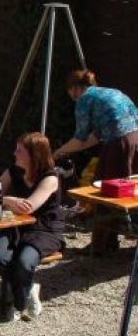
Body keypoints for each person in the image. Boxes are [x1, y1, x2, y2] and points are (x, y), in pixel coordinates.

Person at [53, 69, 138, 253]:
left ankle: (101, 246)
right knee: (127, 192)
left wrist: (58, 152)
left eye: (70, 92)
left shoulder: (84, 99)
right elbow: (95, 137)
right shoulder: (111, 92)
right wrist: (67, 149)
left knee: (104, 191)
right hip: (135, 140)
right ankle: (111, 240)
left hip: (118, 144)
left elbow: (80, 139)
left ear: (74, 88)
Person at [0, 132, 64, 322]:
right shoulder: (12, 171)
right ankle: (27, 289)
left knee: (24, 262)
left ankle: (16, 304)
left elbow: (29, 207)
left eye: (20, 150)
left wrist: (3, 200)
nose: (14, 153)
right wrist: (8, 200)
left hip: (43, 229)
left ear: (34, 155)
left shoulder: (50, 178)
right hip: (14, 225)